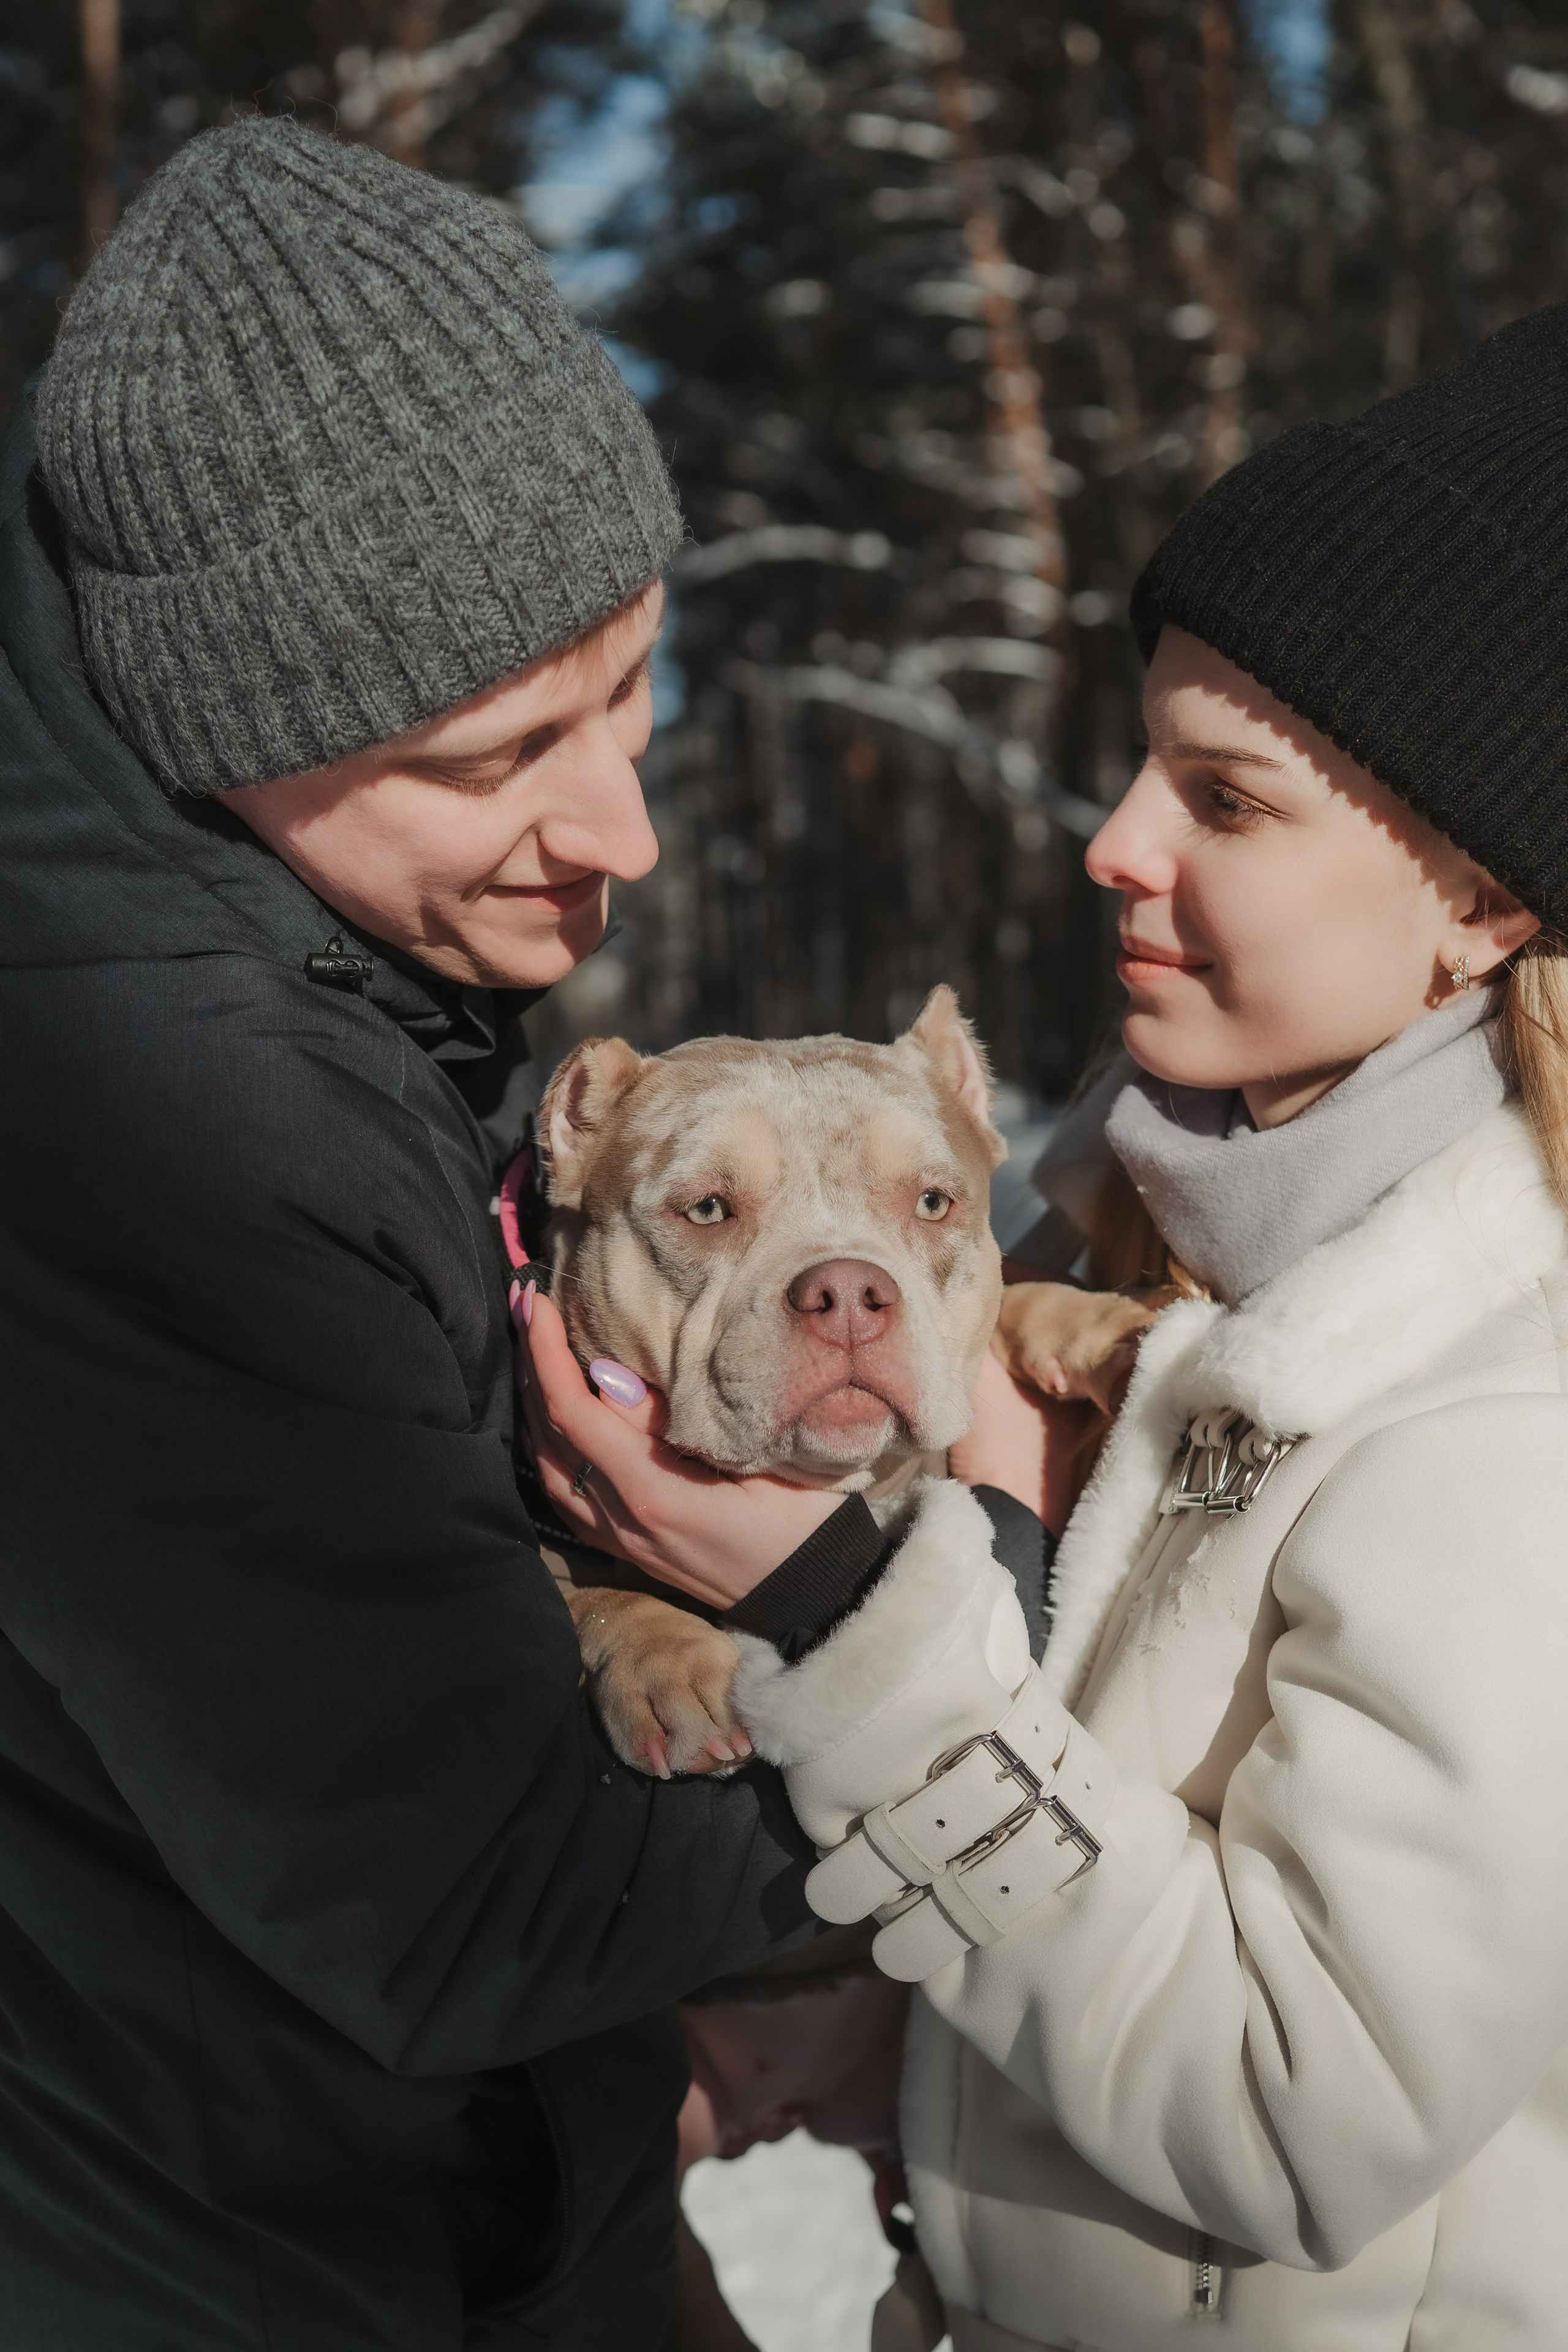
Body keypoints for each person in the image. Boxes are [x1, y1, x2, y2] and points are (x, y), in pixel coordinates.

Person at [0, 116, 992, 2350]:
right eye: (500, 751)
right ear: (226, 717)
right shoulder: (134, 1118)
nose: (621, 826)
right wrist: (983, 1576)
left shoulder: (273, 944)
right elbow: (469, 1899)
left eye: (632, 681)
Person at [530, 304, 1568, 2346]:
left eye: (1227, 797)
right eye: (1135, 763)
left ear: (1484, 899)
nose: (1112, 839)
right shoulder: (1071, 1252)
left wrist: (854, 1628)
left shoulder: (1498, 1417)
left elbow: (1294, 2119)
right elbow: (1085, 1912)